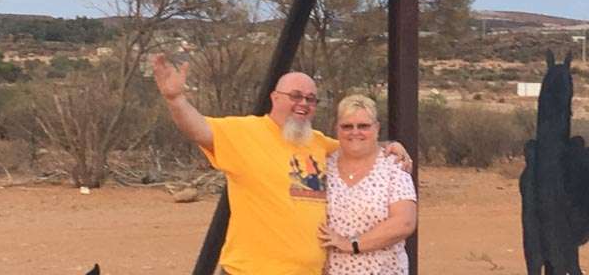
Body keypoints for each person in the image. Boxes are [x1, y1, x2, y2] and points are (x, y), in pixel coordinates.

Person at [151, 55, 411, 275]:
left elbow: (356, 145)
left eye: (311, 99)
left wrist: (390, 146)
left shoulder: (320, 144)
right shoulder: (245, 132)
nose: (304, 104)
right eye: (295, 96)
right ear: (275, 98)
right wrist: (176, 100)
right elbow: (200, 130)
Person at [317, 95, 417, 275]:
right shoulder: (323, 165)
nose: (355, 132)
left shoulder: (394, 165)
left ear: (377, 128)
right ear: (336, 129)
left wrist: (351, 244)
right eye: (347, 126)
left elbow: (405, 222)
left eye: (363, 126)